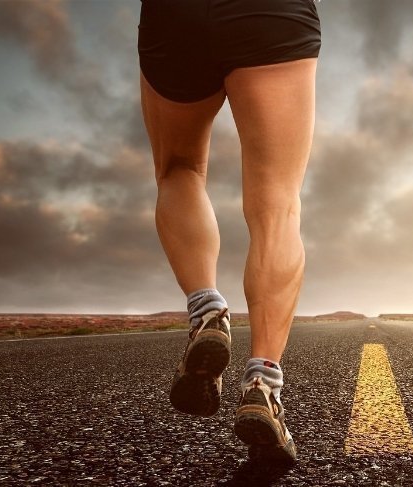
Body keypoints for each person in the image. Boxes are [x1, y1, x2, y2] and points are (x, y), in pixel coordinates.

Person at [137, 0, 321, 463]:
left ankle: (207, 309)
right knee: (277, 206)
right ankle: (262, 383)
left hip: (173, 15)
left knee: (179, 169)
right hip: (272, 15)